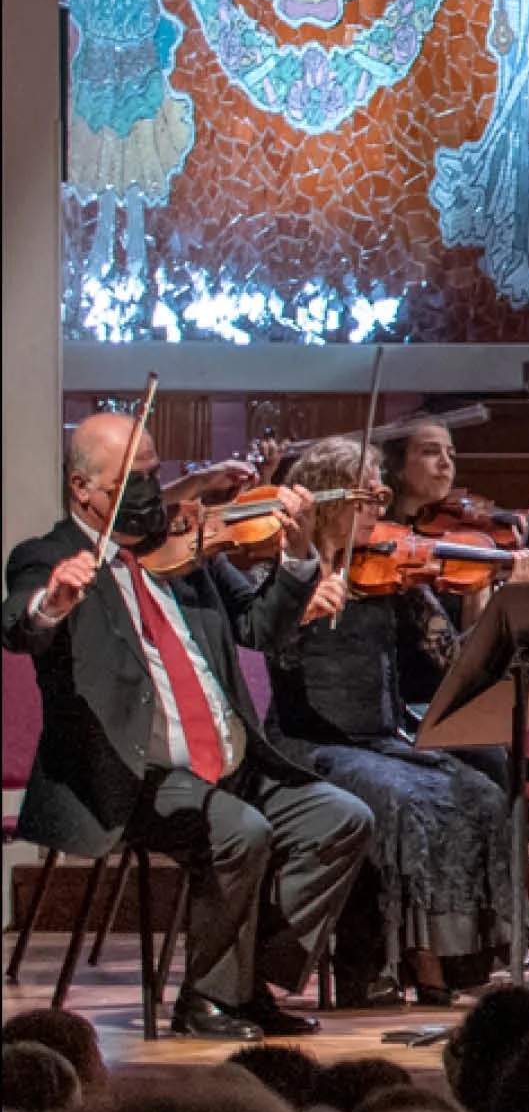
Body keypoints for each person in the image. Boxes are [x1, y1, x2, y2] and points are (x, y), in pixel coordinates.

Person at [12, 414, 372, 1040]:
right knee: (240, 832)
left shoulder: (185, 552)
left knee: (341, 818)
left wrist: (295, 559)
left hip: (230, 767)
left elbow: (259, 626)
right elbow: (19, 622)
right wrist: (53, 604)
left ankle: (244, 983)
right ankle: (206, 1001)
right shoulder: (48, 557)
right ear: (82, 488)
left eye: (156, 472)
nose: (156, 490)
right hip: (132, 777)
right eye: (135, 478)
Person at [274, 424, 529, 1003]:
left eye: (380, 498)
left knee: (479, 792)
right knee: (405, 799)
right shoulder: (284, 577)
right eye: (368, 499)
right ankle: (396, 964)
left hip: (381, 737)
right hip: (308, 743)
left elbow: (456, 662)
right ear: (328, 502)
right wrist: (305, 601)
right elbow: (270, 647)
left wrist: (498, 597)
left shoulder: (392, 573)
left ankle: (453, 959)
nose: (380, 511)